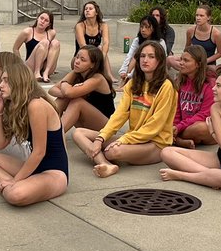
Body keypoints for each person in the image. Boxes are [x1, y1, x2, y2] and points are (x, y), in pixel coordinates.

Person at [72, 40, 177, 178]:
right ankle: (106, 165)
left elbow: (154, 126)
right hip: (135, 139)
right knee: (78, 133)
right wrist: (101, 139)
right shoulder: (133, 84)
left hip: (155, 143)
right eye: (142, 56)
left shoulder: (166, 86)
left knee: (113, 152)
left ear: (160, 61)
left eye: (151, 57)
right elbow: (119, 115)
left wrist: (123, 140)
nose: (145, 60)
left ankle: (106, 158)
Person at [0, 62, 69, 206]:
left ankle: (5, 186)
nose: (1, 85)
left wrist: (15, 180)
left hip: (54, 171)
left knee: (16, 195)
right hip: (33, 165)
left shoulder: (36, 105)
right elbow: (0, 144)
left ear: (19, 82)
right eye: (2, 80)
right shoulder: (14, 104)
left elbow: (40, 152)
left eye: (6, 81)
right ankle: (9, 185)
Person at [50, 45, 115, 134]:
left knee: (77, 102)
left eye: (83, 60)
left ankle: (55, 137)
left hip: (106, 126)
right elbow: (52, 90)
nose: (77, 62)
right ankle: (49, 129)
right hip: (87, 121)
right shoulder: (77, 72)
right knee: (64, 99)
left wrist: (65, 83)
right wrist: (65, 93)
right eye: (77, 57)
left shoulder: (97, 79)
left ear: (93, 64)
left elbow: (68, 92)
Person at [171, 45, 216, 148]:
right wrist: (174, 125)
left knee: (200, 128)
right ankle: (177, 139)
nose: (181, 63)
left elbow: (204, 114)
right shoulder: (180, 81)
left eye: (186, 61)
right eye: (181, 59)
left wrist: (178, 127)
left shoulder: (210, 84)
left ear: (198, 64)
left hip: (204, 127)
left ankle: (175, 138)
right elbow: (176, 109)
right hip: (184, 126)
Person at [169, 5, 221, 70]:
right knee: (169, 59)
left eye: (201, 16)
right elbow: (187, 48)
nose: (198, 18)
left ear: (208, 17)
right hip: (192, 61)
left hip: (207, 64)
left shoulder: (216, 34)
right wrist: (183, 59)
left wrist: (205, 61)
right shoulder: (190, 31)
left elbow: (220, 53)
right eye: (197, 15)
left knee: (214, 69)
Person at [12, 10, 61, 82]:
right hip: (31, 66)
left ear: (49, 24)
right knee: (44, 42)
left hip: (46, 67)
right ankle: (37, 72)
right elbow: (15, 48)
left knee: (56, 43)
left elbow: (52, 49)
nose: (42, 21)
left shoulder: (51, 33)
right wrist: (20, 66)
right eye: (41, 18)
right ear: (37, 18)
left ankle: (46, 73)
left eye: (46, 20)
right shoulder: (27, 32)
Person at [117, 15, 165, 82]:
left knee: (142, 57)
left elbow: (162, 60)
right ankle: (126, 79)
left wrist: (130, 75)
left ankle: (128, 79)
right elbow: (129, 55)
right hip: (136, 68)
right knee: (136, 56)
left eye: (146, 27)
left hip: (153, 69)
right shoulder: (137, 40)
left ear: (153, 28)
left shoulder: (161, 42)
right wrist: (123, 71)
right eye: (141, 27)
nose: (143, 30)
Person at [74, 1, 112, 69]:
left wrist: (103, 56)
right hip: (81, 58)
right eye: (86, 9)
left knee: (100, 48)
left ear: (96, 12)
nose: (87, 10)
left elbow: (106, 43)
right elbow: (83, 46)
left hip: (96, 57)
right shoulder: (80, 26)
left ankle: (110, 76)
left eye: (90, 9)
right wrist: (93, 59)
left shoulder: (103, 25)